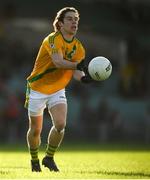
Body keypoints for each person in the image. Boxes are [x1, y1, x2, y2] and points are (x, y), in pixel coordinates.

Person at [24, 7, 93, 172]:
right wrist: (78, 65)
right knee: (35, 130)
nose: (74, 21)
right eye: (70, 19)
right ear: (60, 24)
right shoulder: (52, 39)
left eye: (76, 19)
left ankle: (48, 158)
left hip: (57, 89)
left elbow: (76, 70)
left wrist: (83, 78)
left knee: (61, 124)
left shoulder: (79, 47)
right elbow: (58, 62)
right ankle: (34, 160)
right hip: (37, 88)